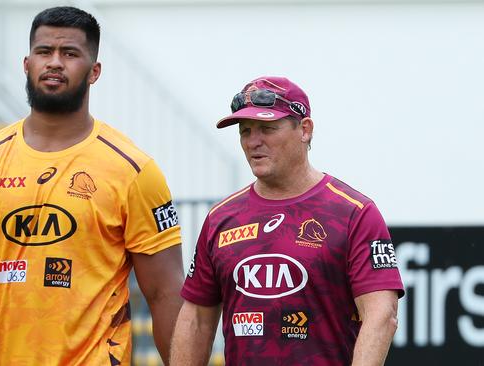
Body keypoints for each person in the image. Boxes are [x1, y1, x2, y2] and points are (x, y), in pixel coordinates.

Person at [0, 6, 184, 365]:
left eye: (70, 54)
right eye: (44, 52)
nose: (55, 62)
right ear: (26, 64)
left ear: (94, 72)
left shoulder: (134, 170)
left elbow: (165, 293)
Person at [170, 76, 404, 365]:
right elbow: (196, 320)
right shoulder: (221, 218)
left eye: (267, 129)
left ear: (305, 130)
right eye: (245, 131)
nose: (253, 142)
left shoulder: (354, 212)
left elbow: (382, 314)